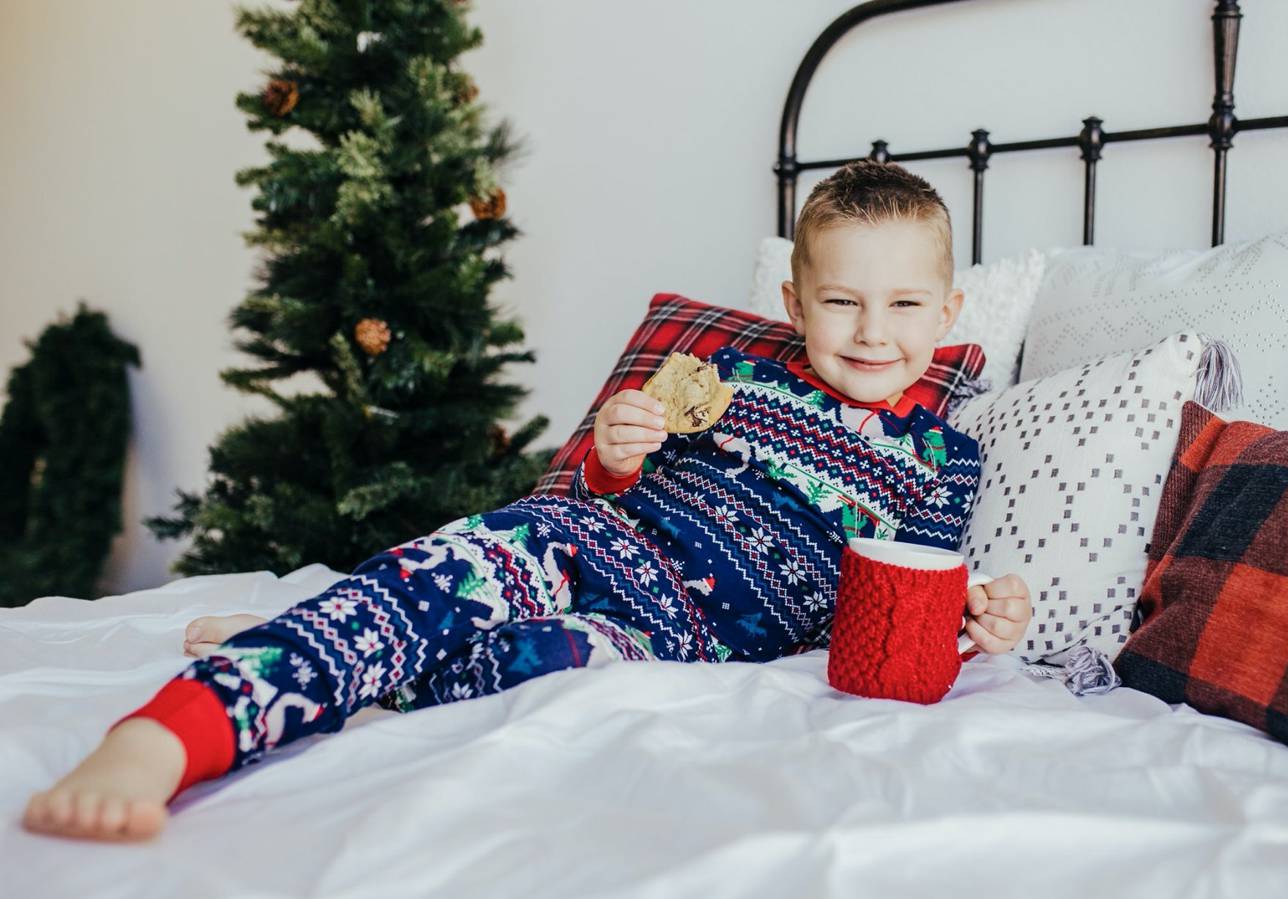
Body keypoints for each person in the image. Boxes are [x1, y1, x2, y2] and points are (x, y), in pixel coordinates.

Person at [22, 161, 1033, 842]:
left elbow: (909, 607)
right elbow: (607, 475)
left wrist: (975, 624)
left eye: (904, 304)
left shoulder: (942, 457)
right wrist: (617, 452)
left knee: (531, 666)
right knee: (448, 579)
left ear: (948, 314)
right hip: (586, 536)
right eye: (841, 300)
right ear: (794, 305)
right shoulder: (730, 369)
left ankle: (350, 654)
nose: (872, 330)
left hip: (682, 641)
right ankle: (169, 733)